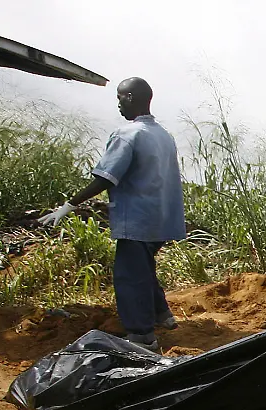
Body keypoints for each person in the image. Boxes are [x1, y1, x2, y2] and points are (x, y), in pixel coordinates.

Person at [39, 77, 185, 352]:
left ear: (130, 98)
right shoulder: (164, 135)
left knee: (130, 276)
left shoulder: (128, 135)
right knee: (143, 268)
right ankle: (162, 315)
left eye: (120, 98)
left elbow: (106, 178)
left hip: (138, 220)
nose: (118, 104)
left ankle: (142, 336)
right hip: (162, 219)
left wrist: (69, 205)